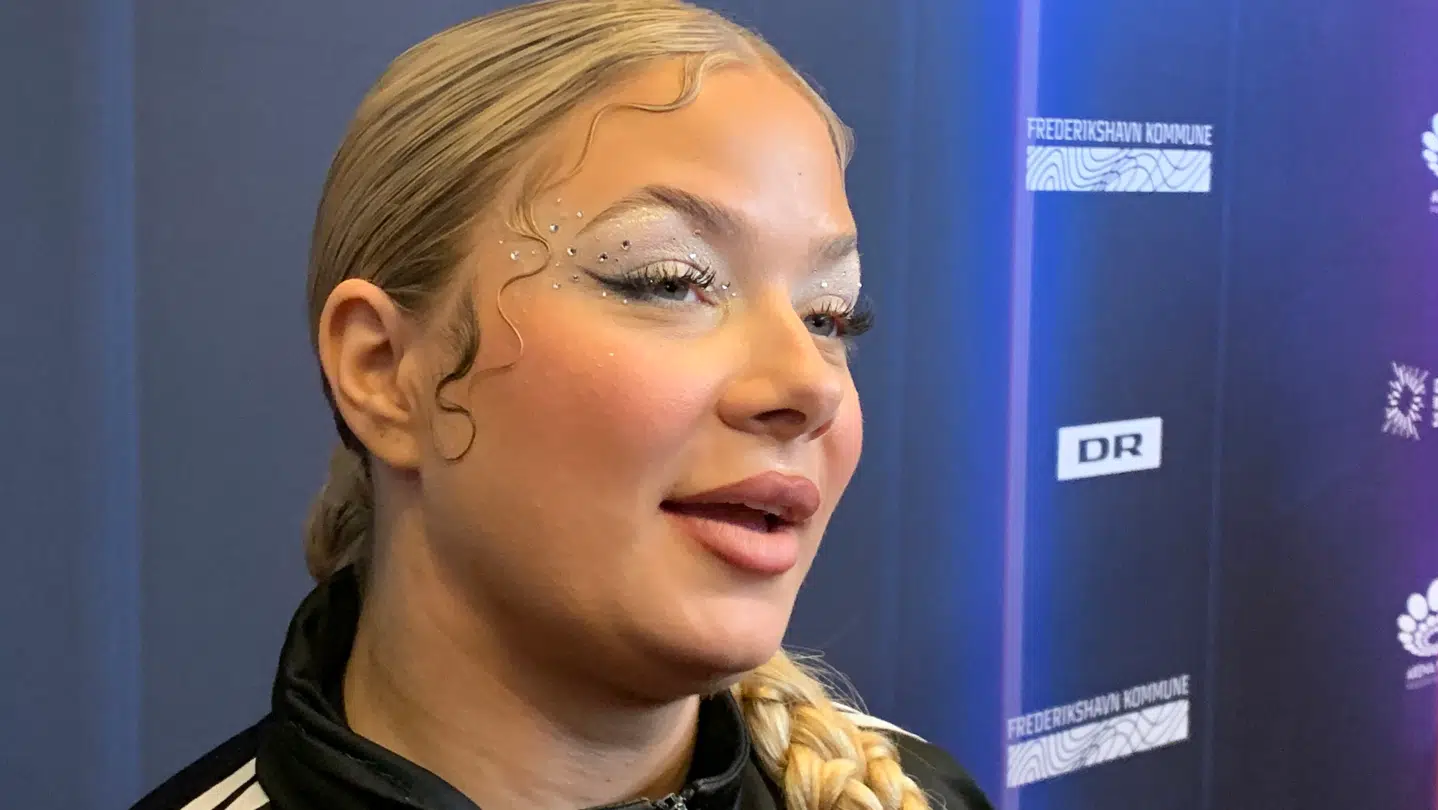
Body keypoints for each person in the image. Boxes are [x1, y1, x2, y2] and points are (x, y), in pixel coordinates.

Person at [133, 1, 993, 809]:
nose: (810, 386)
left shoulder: (912, 791)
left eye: (829, 314)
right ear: (384, 370)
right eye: (669, 281)